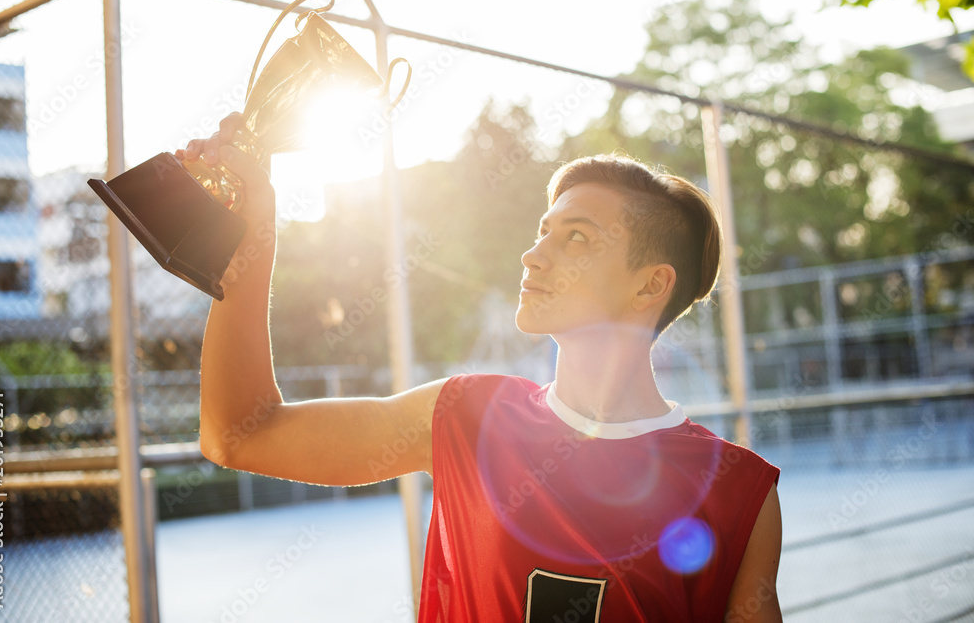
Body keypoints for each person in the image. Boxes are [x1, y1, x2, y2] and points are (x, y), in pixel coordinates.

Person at [185, 113, 783, 622]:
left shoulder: (739, 494)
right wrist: (250, 239)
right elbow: (239, 433)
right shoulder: (466, 415)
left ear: (651, 284)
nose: (533, 253)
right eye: (543, 231)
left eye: (576, 238)